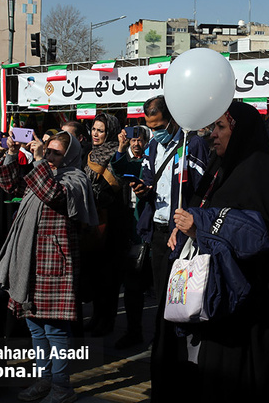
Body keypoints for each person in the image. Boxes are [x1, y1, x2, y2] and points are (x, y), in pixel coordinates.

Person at [151, 102, 269, 403]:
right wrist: (183, 229)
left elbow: (253, 240)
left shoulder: (253, 176)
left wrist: (200, 228)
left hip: (235, 315)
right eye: (215, 127)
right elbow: (202, 208)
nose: (214, 135)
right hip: (200, 302)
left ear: (240, 132)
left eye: (222, 128)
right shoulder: (217, 170)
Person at [0, 131, 97, 403]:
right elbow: (10, 186)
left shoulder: (76, 177)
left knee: (55, 329)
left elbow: (53, 195)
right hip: (30, 260)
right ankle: (43, 381)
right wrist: (13, 154)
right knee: (35, 325)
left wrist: (38, 161)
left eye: (55, 153)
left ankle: (62, 387)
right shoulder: (43, 174)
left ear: (69, 155)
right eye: (47, 151)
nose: (49, 156)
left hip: (55, 262)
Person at [132, 96, 209, 313]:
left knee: (180, 296)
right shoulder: (153, 146)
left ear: (172, 120)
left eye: (158, 127)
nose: (155, 132)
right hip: (158, 231)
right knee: (160, 292)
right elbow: (148, 178)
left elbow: (202, 191)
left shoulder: (194, 145)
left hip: (183, 233)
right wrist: (143, 189)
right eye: (150, 127)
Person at [82, 112, 125, 337]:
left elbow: (117, 184)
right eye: (94, 129)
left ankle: (107, 321)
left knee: (109, 276)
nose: (95, 134)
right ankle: (97, 316)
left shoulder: (117, 152)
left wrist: (95, 193)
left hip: (111, 220)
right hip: (93, 219)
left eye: (101, 130)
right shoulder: (90, 154)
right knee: (96, 274)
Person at [109, 125, 152, 349]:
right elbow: (120, 168)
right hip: (134, 235)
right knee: (133, 287)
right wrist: (120, 147)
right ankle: (133, 331)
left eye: (140, 140)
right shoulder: (131, 162)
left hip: (153, 233)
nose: (136, 143)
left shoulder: (151, 160)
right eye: (133, 140)